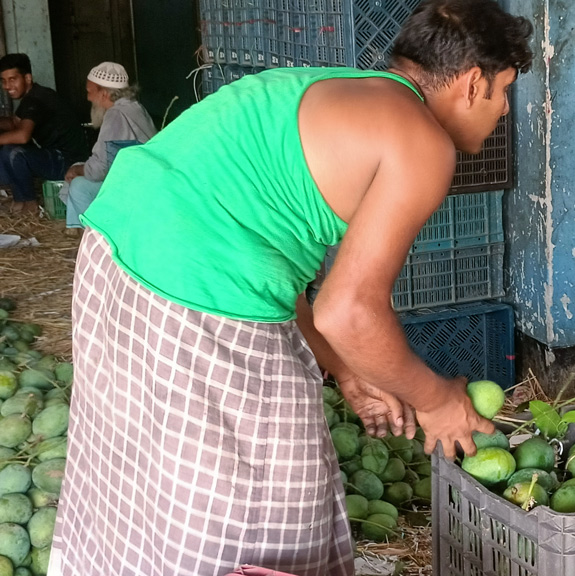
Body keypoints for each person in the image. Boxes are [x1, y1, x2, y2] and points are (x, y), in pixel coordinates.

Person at [49, 0, 533, 574]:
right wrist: (436, 402)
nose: (502, 110)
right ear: (473, 82)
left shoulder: (333, 90)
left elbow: (278, 259)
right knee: (264, 501)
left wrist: (347, 370)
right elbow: (346, 310)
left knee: (143, 480)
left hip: (114, 255)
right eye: (504, 91)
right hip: (198, 291)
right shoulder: (422, 139)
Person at [61, 62, 157, 235]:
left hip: (137, 186)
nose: (88, 98)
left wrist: (79, 169)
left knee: (78, 186)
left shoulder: (116, 114)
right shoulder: (135, 107)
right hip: (143, 179)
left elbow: (100, 169)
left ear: (104, 93)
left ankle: (97, 240)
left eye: (90, 92)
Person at [0, 53, 89, 214]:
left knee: (12, 152)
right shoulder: (36, 95)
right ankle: (21, 201)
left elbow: (22, 135)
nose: (7, 86)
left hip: (69, 162)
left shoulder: (35, 99)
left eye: (12, 79)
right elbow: (15, 122)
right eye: (3, 81)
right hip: (61, 157)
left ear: (27, 78)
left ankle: (28, 203)